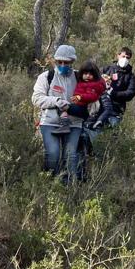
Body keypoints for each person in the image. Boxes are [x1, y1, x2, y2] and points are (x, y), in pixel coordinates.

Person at [32, 45, 83, 184]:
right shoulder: (47, 77)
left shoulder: (79, 77)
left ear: (72, 62)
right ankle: (49, 183)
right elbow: (36, 98)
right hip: (50, 121)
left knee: (70, 155)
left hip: (74, 123)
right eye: (59, 62)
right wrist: (57, 101)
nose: (62, 65)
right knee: (53, 154)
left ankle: (69, 187)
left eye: (66, 62)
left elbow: (92, 94)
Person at [94, 47, 135, 129]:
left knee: (112, 135)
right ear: (118, 56)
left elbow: (130, 93)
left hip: (116, 111)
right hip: (99, 108)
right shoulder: (107, 69)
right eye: (123, 56)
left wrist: (113, 93)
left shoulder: (131, 77)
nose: (125, 59)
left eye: (127, 58)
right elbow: (92, 80)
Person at [61, 60, 105, 125]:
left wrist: (80, 97)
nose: (88, 76)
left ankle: (64, 121)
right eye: (85, 74)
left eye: (90, 74)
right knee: (64, 107)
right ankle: (64, 121)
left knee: (65, 107)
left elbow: (92, 96)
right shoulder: (82, 82)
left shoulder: (94, 84)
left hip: (86, 108)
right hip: (79, 104)